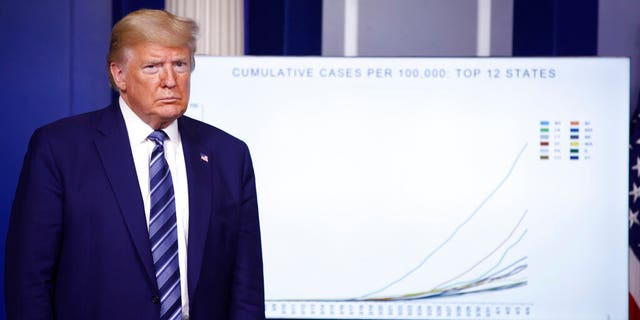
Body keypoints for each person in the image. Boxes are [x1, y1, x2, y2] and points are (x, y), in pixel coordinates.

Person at [5, 9, 264, 320]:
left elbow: (246, 289)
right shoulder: (59, 149)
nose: (170, 80)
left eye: (180, 65)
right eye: (153, 67)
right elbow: (29, 282)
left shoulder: (228, 155)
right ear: (119, 75)